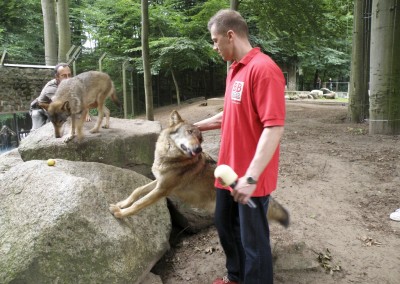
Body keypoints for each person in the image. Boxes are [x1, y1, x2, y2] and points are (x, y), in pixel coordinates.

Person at [194, 9, 285, 284]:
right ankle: (236, 277)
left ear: (230, 35)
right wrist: (192, 128)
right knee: (225, 226)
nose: (214, 47)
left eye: (214, 40)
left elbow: (274, 127)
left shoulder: (264, 69)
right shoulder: (235, 69)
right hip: (228, 172)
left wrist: (251, 177)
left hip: (251, 177)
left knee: (254, 243)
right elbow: (229, 115)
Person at [29, 63, 90, 130]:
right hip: (39, 109)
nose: (68, 78)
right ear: (57, 77)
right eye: (64, 76)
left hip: (53, 109)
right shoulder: (51, 88)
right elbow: (64, 104)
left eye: (69, 75)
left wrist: (86, 111)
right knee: (37, 132)